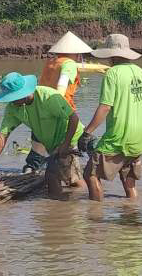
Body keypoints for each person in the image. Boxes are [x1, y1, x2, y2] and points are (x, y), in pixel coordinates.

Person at [80, 34, 142, 202]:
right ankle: (133, 211)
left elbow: (105, 107)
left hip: (119, 138)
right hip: (140, 138)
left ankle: (96, 218)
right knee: (129, 180)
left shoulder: (112, 74)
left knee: (90, 174)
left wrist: (87, 133)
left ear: (111, 55)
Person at [0, 72, 84, 199]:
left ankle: (60, 210)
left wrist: (65, 145)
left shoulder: (48, 97)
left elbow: (73, 118)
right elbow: (3, 136)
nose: (12, 102)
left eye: (14, 98)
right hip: (51, 142)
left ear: (24, 93)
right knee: (72, 179)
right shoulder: (13, 108)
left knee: (52, 176)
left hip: (69, 137)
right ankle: (77, 203)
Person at [21, 31, 93, 175]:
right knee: (85, 139)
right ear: (77, 52)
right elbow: (62, 84)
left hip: (39, 109)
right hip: (59, 109)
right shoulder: (69, 64)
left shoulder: (51, 62)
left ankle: (29, 172)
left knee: (38, 144)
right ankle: (101, 163)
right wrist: (57, 103)